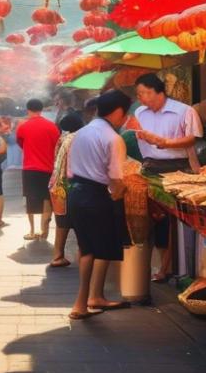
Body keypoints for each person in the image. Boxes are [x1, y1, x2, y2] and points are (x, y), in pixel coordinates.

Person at [66, 90, 132, 320]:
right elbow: (116, 177)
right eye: (125, 114)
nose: (125, 119)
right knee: (91, 251)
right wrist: (122, 192)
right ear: (118, 112)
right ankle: (80, 304)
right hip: (96, 195)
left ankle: (94, 296)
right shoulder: (113, 138)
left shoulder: (80, 133)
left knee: (93, 246)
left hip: (76, 194)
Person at [133, 72, 204, 282]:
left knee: (173, 220)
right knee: (151, 218)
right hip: (150, 167)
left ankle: (169, 267)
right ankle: (153, 264)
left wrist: (166, 143)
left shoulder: (184, 111)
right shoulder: (140, 112)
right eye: (138, 94)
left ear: (159, 92)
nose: (141, 98)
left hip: (178, 169)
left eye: (145, 93)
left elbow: (194, 138)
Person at [15, 99, 61, 240]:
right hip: (48, 168)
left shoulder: (23, 127)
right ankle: (44, 230)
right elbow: (57, 146)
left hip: (30, 167)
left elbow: (20, 143)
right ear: (42, 109)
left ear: (28, 109)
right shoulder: (52, 126)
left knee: (30, 199)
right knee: (47, 198)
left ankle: (32, 230)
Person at [48, 113, 85, 268]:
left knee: (62, 223)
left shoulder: (63, 138)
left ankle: (57, 255)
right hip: (72, 184)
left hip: (57, 183)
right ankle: (84, 255)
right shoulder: (80, 138)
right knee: (81, 222)